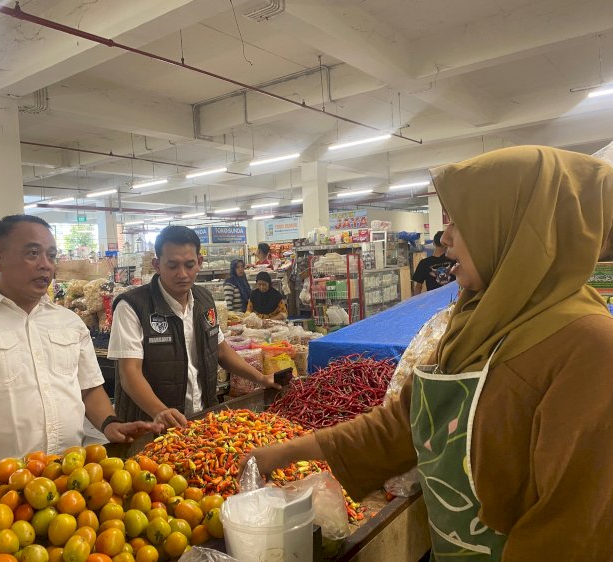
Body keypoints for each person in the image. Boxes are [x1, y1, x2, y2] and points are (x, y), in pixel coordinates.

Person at [245, 146, 613, 561]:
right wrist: (281, 452)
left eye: (459, 221)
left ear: (515, 228)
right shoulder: (476, 320)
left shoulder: (590, 348)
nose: (445, 238)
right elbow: (405, 424)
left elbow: (574, 532)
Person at [0, 215, 159, 470]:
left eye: (51, 255)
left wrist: (110, 424)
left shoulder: (69, 322)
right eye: (33, 253)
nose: (46, 265)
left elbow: (88, 388)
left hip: (71, 480)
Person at [108, 226, 279, 427]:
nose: (182, 274)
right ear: (157, 265)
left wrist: (261, 379)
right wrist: (160, 412)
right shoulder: (133, 306)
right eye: (172, 266)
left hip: (200, 419)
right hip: (148, 426)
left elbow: (221, 350)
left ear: (199, 262)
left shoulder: (204, 300)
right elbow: (129, 373)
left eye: (189, 265)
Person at [411, 230, 455, 294]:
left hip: (434, 301)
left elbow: (418, 287)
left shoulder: (424, 263)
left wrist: (418, 303)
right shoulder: (454, 260)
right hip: (453, 300)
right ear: (447, 244)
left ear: (434, 243)